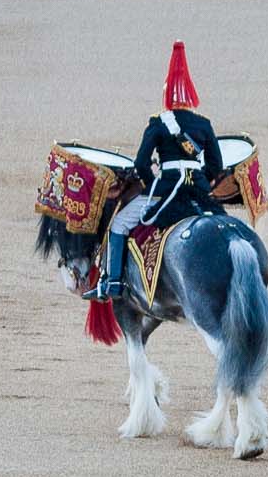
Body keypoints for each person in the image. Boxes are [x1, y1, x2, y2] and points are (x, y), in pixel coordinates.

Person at [86, 42, 228, 301]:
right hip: (200, 191)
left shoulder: (158, 124)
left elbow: (141, 163)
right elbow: (216, 166)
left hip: (166, 192)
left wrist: (154, 184)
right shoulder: (204, 124)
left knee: (119, 224)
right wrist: (201, 182)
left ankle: (114, 283)